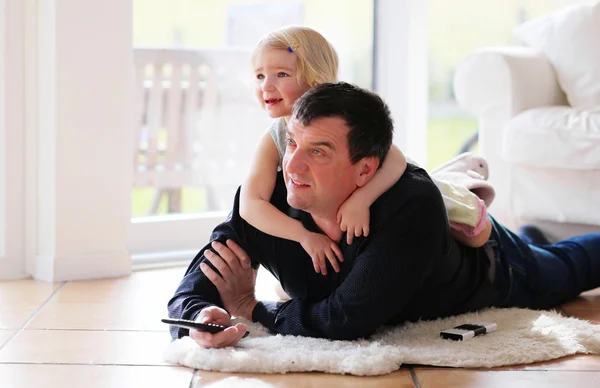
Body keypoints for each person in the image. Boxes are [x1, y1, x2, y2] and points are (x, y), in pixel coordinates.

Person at [167, 82, 600, 349]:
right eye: (293, 144)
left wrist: (248, 309)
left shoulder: (409, 205)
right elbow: (192, 287)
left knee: (571, 266)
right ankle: (533, 234)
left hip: (495, 270)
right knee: (543, 245)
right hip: (437, 249)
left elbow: (346, 320)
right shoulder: (265, 200)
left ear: (365, 171)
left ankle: (532, 243)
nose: (292, 166)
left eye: (318, 152)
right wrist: (198, 317)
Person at [240, 26, 407, 276]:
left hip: (385, 213)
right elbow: (250, 205)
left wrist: (361, 200)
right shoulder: (274, 136)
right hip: (324, 224)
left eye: (281, 74)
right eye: (260, 76)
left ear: (316, 80)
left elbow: (396, 160)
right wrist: (304, 237)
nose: (267, 86)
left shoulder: (347, 118)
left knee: (453, 216)